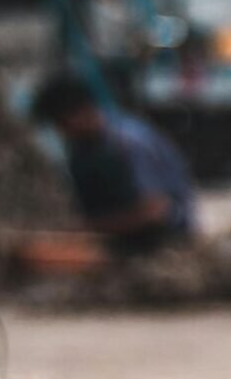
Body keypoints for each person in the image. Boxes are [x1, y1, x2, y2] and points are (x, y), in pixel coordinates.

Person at [30, 72, 196, 257]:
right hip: (117, 240)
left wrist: (87, 229)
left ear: (80, 112)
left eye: (61, 124)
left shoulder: (129, 144)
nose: (61, 133)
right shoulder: (83, 149)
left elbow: (155, 211)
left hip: (165, 244)